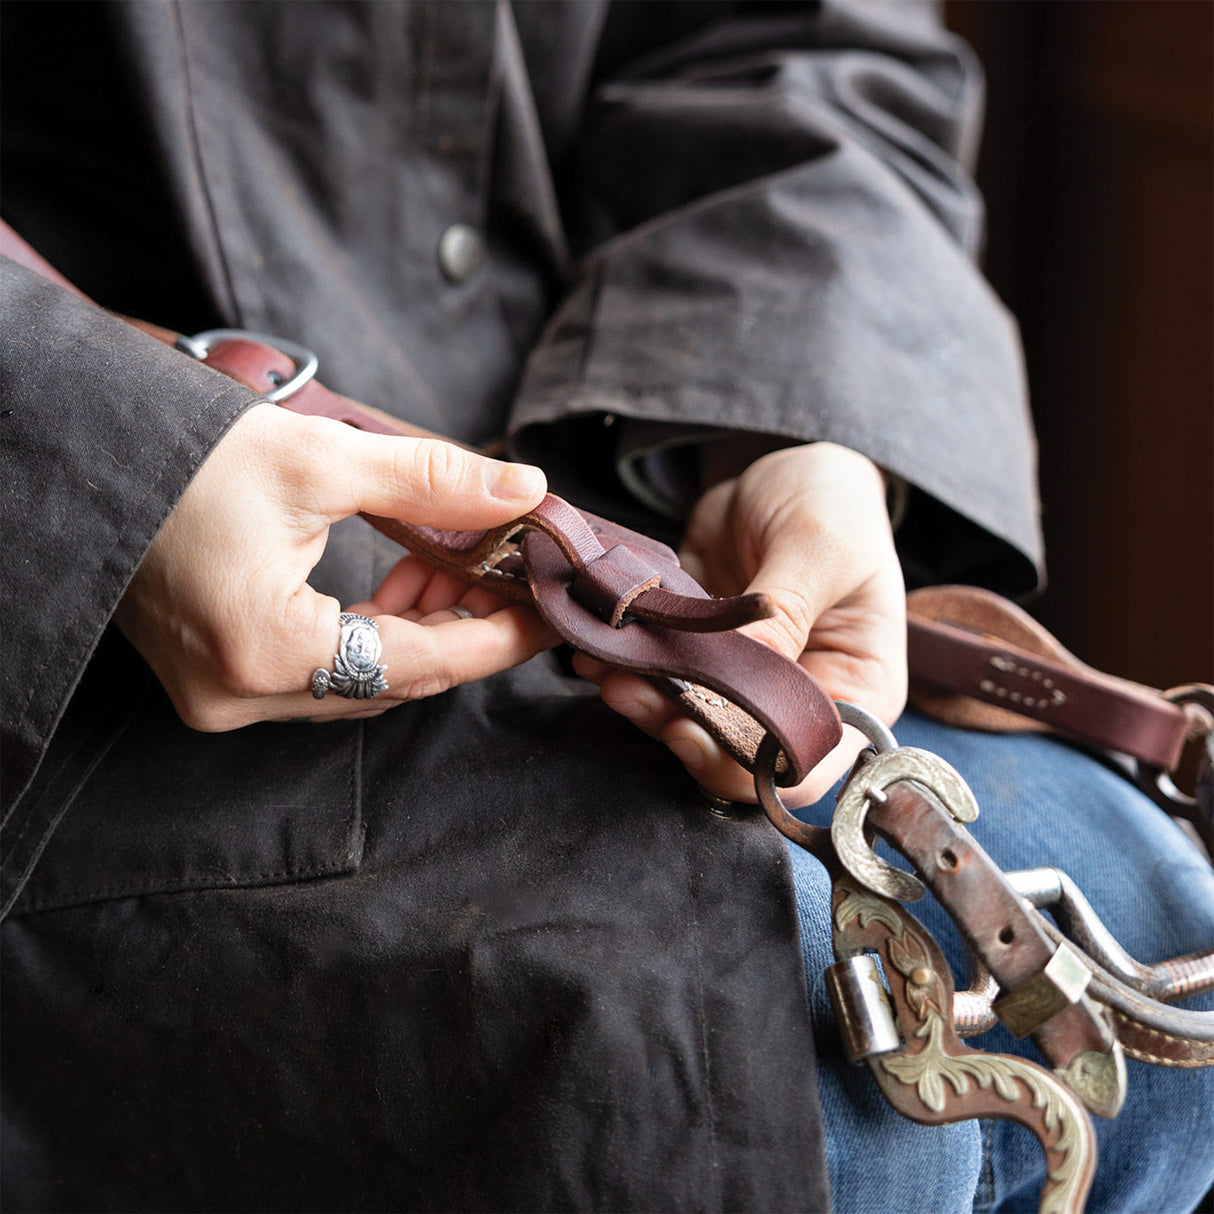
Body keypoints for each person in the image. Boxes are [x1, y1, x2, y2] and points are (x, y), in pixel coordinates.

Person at [2, 2, 1210, 1210]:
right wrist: (98, 454)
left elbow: (800, 46)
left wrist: (793, 424)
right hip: (67, 659)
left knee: (1155, 910)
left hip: (619, 508)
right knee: (732, 1090)